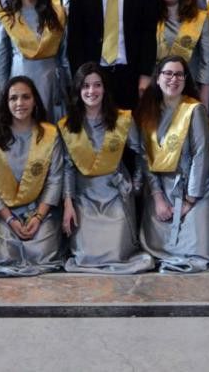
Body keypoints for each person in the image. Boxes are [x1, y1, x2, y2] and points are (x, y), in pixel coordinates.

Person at [59, 63, 155, 274]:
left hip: (115, 192)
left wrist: (136, 186)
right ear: (78, 90)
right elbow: (67, 167)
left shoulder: (122, 119)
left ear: (105, 89)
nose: (91, 91)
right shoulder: (67, 126)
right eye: (86, 86)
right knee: (86, 256)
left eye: (97, 85)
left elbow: (142, 153)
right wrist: (68, 203)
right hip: (84, 196)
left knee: (117, 253)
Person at [0, 76, 66, 276]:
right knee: (3, 256)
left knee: (43, 254)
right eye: (13, 98)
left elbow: (55, 180)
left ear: (34, 101)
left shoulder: (50, 135)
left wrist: (38, 216)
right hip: (4, 213)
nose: (20, 103)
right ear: (5, 103)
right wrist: (11, 220)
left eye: (25, 97)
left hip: (40, 210)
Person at [136, 57, 209, 273]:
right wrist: (158, 198)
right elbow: (145, 157)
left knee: (195, 249)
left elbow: (201, 154)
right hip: (162, 188)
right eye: (168, 74)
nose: (174, 79)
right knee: (156, 246)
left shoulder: (194, 109)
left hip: (194, 188)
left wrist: (190, 200)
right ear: (158, 77)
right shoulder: (147, 110)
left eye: (179, 74)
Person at [67, 0, 158, 110]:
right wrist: (80, 75)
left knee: (129, 131)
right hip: (93, 75)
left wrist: (146, 74)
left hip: (130, 74)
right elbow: (75, 37)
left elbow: (148, 34)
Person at [0, 0, 70, 121]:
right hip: (20, 80)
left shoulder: (58, 15)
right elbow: (0, 62)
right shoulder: (7, 17)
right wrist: (3, 94)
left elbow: (64, 56)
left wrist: (69, 86)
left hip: (51, 83)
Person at [154, 0, 209, 108]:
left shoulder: (200, 18)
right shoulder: (150, 18)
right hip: (156, 94)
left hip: (191, 92)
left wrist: (204, 99)